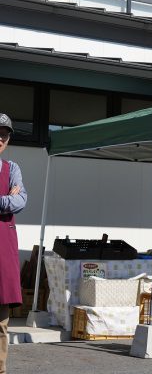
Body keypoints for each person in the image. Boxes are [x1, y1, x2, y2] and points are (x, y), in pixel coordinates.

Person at [0, 114, 27, 374]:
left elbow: (21, 201)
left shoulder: (13, 168)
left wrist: (7, 200)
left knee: (1, 321)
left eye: (5, 134)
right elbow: (10, 200)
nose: (0, 138)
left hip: (3, 249)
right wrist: (5, 198)